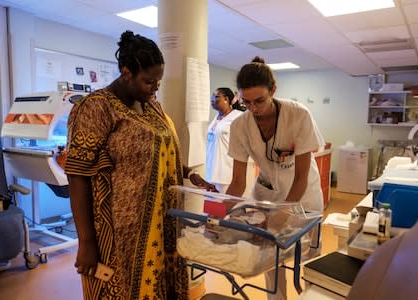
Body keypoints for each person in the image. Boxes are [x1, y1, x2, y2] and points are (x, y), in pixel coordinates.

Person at [65, 30, 214, 300]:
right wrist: (86, 241)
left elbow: (155, 156)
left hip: (163, 224)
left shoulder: (152, 106)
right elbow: (77, 175)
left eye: (158, 82)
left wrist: (188, 174)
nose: (155, 88)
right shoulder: (97, 108)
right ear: (126, 72)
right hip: (122, 232)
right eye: (148, 81)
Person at [226, 56, 325, 300]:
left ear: (273, 90)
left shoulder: (297, 115)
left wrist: (285, 211)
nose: (254, 108)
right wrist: (223, 214)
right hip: (267, 195)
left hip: (304, 196)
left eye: (259, 101)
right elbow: (238, 181)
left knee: (311, 259)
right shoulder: (240, 126)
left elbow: (301, 176)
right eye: (246, 102)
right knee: (271, 259)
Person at [205, 87, 244, 193]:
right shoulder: (217, 117)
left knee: (222, 208)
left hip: (225, 176)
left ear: (226, 99)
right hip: (210, 175)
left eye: (216, 96)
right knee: (209, 209)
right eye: (212, 96)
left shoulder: (238, 117)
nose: (212, 99)